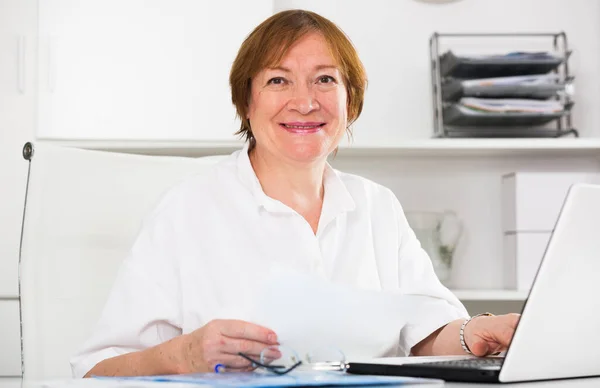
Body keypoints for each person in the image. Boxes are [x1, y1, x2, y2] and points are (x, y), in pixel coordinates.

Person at [70, 9, 519, 378]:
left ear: (351, 101)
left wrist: (479, 331)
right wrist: (184, 356)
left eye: (325, 80)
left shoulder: (376, 206)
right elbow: (94, 372)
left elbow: (425, 332)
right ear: (246, 102)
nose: (304, 102)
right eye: (278, 81)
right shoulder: (187, 208)